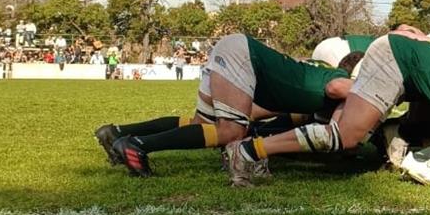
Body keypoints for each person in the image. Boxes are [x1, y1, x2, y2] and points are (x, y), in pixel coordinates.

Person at [224, 33, 430, 190]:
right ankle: (247, 151)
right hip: (392, 61)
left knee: (345, 133)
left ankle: (252, 149)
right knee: (346, 136)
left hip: (400, 60)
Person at [98, 36, 362, 178]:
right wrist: (367, 90)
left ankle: (119, 133)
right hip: (242, 55)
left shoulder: (317, 74)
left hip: (236, 51)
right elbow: (336, 89)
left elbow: (259, 112)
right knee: (230, 132)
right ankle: (138, 145)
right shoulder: (336, 79)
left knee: (203, 127)